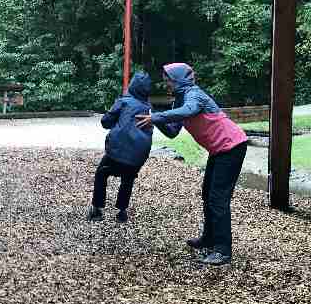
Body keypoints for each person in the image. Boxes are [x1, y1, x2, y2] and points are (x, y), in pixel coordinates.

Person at [136, 63, 248, 265]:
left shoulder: (194, 95)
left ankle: (223, 251)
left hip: (232, 147)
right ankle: (209, 238)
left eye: (168, 79)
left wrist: (156, 117)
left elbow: (190, 110)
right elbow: (172, 131)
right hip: (220, 149)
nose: (166, 84)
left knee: (217, 199)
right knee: (208, 194)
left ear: (178, 79)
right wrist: (154, 114)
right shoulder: (179, 99)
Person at [88, 71, 154, 223]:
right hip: (137, 156)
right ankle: (122, 212)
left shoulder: (124, 101)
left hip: (116, 153)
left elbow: (105, 122)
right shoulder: (149, 109)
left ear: (132, 86)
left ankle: (97, 209)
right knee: (128, 179)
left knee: (101, 174)